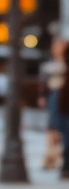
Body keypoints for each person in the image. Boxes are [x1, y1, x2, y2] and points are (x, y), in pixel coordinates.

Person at [38, 38, 67, 169]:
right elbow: (43, 83)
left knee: (63, 128)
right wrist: (42, 96)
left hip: (65, 97)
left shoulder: (65, 64)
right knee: (53, 127)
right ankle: (51, 157)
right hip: (54, 96)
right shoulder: (48, 64)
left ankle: (59, 157)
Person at [57, 44, 69, 179]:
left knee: (67, 139)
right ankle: (66, 166)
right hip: (65, 109)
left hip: (65, 109)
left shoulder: (63, 71)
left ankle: (66, 166)